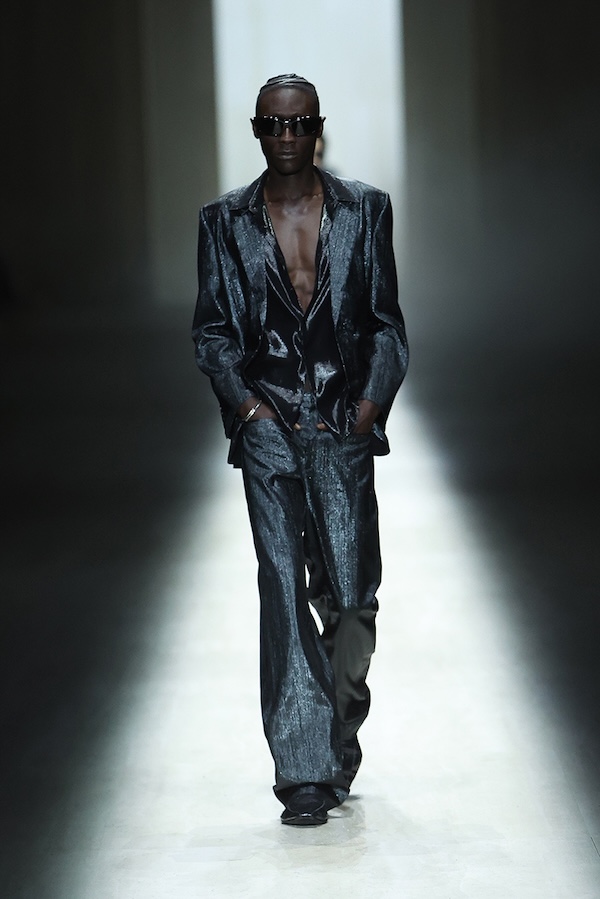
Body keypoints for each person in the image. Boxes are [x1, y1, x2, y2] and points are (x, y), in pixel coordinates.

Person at [192, 74, 408, 826]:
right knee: (282, 590)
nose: (286, 136)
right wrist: (246, 407)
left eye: (299, 123)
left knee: (351, 602)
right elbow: (211, 331)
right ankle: (304, 771)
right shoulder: (224, 222)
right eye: (273, 125)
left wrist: (371, 403)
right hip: (268, 429)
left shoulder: (366, 211)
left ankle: (337, 734)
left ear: (318, 127)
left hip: (343, 425)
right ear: (257, 131)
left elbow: (386, 323)